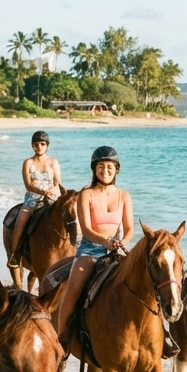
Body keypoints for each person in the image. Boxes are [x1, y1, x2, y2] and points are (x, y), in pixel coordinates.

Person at [55, 145, 133, 348]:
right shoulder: (86, 194)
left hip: (117, 249)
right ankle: (61, 338)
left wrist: (120, 244)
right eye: (100, 166)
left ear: (117, 169)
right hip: (90, 249)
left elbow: (130, 229)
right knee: (73, 289)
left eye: (109, 166)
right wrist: (105, 241)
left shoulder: (124, 195)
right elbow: (87, 230)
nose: (105, 170)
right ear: (94, 169)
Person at [8, 130, 62, 268]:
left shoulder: (53, 162)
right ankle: (15, 255)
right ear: (32, 146)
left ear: (47, 145)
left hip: (51, 198)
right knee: (20, 222)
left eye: (42, 144)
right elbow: (28, 185)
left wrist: (52, 191)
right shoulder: (28, 163)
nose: (39, 147)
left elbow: (57, 183)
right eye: (36, 144)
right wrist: (42, 191)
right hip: (32, 199)